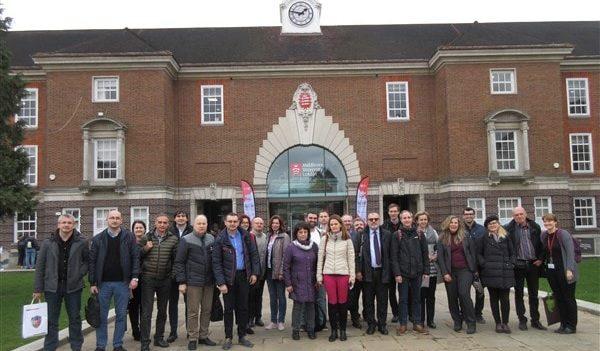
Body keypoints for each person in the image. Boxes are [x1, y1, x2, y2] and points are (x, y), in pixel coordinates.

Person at [33, 214, 88, 351]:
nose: (66, 225)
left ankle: (76, 346)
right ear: (58, 224)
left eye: (69, 222)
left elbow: (88, 261)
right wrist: (37, 289)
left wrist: (79, 273)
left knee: (75, 319)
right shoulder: (48, 242)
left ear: (73, 225)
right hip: (52, 287)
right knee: (51, 320)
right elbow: (40, 266)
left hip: (73, 287)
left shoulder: (81, 241)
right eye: (63, 222)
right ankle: (50, 347)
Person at [89, 209, 140, 351]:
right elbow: (92, 262)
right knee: (101, 316)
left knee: (121, 315)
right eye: (112, 218)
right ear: (107, 220)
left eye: (117, 218)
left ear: (121, 220)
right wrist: (92, 282)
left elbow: (135, 258)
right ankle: (101, 345)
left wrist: (134, 277)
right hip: (103, 284)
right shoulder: (98, 239)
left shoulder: (129, 237)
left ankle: (118, 344)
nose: (114, 220)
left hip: (123, 283)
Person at [212, 213, 260, 350]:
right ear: (225, 223)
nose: (233, 224)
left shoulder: (245, 236)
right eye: (230, 221)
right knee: (228, 309)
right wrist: (221, 282)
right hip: (228, 279)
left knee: (243, 307)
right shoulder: (220, 238)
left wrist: (254, 273)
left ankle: (242, 335)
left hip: (244, 276)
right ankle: (228, 337)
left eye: (235, 221)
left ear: (238, 223)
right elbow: (216, 262)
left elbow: (253, 255)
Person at [174, 215, 217, 350]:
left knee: (206, 310)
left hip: (209, 282)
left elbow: (215, 260)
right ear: (194, 224)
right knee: (193, 311)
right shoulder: (186, 240)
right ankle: (193, 337)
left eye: (204, 223)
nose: (202, 226)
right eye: (199, 223)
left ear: (207, 224)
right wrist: (181, 281)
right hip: (193, 282)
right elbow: (179, 262)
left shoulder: (211, 238)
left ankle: (203, 336)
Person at [139, 213, 180, 350]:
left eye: (165, 223)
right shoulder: (146, 238)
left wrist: (172, 275)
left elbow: (176, 260)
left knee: (162, 311)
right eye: (160, 222)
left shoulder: (173, 239)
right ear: (155, 223)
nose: (162, 225)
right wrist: (146, 248)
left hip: (165, 280)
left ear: (168, 225)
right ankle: (145, 342)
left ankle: (159, 338)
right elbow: (136, 256)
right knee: (146, 312)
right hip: (148, 279)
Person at [505, 206, 547, 331]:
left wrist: (540, 259)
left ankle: (535, 320)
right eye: (516, 215)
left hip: (533, 264)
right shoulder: (509, 228)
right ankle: (522, 319)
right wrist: (512, 262)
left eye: (521, 214)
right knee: (519, 294)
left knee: (534, 294)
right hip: (518, 265)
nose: (519, 216)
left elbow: (541, 245)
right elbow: (507, 247)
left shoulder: (535, 226)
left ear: (525, 214)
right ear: (513, 217)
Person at [316, 214, 355, 342]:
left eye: (335, 224)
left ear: (340, 225)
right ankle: (334, 331)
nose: (333, 226)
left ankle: (343, 330)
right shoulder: (325, 239)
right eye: (331, 224)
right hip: (329, 275)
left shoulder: (347, 239)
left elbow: (351, 259)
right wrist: (319, 275)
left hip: (343, 274)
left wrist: (352, 276)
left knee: (342, 303)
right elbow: (320, 258)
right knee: (332, 303)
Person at [437, 215, 477, 334]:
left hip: (465, 270)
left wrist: (474, 269)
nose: (454, 224)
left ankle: (471, 322)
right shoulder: (442, 238)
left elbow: (472, 253)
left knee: (464, 294)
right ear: (447, 224)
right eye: (451, 222)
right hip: (450, 272)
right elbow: (440, 258)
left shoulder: (465, 236)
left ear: (459, 225)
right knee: (452, 297)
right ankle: (457, 321)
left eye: (456, 223)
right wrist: (445, 273)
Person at [391, 210, 429, 335]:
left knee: (417, 299)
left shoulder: (419, 234)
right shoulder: (397, 235)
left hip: (417, 273)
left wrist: (426, 271)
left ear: (412, 219)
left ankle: (417, 323)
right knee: (403, 299)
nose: (406, 220)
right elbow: (394, 257)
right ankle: (403, 324)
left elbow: (425, 254)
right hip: (403, 274)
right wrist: (397, 274)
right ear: (401, 220)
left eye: (408, 217)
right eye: (404, 218)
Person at [477, 214, 515, 334]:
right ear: (487, 227)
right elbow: (478, 254)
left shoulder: (506, 236)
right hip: (491, 272)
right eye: (490, 224)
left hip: (505, 272)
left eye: (495, 223)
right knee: (494, 299)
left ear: (498, 224)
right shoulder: (484, 238)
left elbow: (512, 252)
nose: (493, 225)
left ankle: (505, 322)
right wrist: (485, 264)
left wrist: (511, 263)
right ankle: (498, 323)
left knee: (505, 299)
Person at [540, 213, 578, 334]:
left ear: (555, 222)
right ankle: (563, 323)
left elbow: (570, 253)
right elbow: (545, 252)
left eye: (550, 221)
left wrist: (569, 270)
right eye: (545, 221)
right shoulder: (544, 235)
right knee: (559, 297)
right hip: (552, 271)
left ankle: (571, 325)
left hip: (565, 270)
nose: (547, 223)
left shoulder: (563, 234)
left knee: (568, 298)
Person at [283, 221, 319, 340]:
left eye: (305, 232)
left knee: (311, 306)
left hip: (311, 281)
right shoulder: (291, 247)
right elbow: (286, 267)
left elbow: (318, 264)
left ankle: (311, 329)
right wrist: (288, 283)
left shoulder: (313, 246)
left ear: (308, 233)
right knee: (298, 306)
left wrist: (318, 279)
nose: (303, 234)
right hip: (297, 282)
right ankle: (296, 330)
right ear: (296, 233)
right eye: (300, 232)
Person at [357, 213, 391, 335]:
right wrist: (358, 271)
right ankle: (371, 324)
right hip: (368, 272)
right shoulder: (361, 235)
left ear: (379, 220)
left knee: (382, 301)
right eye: (371, 219)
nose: (373, 221)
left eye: (376, 219)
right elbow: (357, 255)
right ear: (367, 221)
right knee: (368, 301)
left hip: (382, 272)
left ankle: (382, 324)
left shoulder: (387, 234)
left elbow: (391, 255)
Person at [167, 210, 194, 343]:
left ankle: (190, 331)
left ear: (187, 219)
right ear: (175, 218)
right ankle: (173, 331)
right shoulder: (169, 231)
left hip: (187, 272)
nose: (181, 218)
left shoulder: (192, 231)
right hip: (171, 273)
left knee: (190, 304)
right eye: (178, 216)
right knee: (172, 304)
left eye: (183, 216)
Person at [264, 215, 291, 331]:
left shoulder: (284, 236)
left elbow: (286, 256)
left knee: (281, 297)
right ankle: (273, 321)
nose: (275, 225)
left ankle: (281, 321)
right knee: (272, 297)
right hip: (269, 271)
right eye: (273, 223)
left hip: (279, 272)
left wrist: (281, 272)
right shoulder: (269, 236)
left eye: (277, 223)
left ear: (280, 225)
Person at [463, 207, 487, 324]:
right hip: (465, 267)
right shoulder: (459, 229)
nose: (469, 216)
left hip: (479, 267)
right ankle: (465, 313)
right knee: (464, 292)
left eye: (471, 214)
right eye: (466, 214)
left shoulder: (482, 230)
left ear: (474, 215)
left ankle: (478, 313)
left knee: (480, 291)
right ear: (463, 216)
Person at [415, 211, 439, 329]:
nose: (423, 221)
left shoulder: (433, 232)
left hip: (432, 269)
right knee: (421, 296)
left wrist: (435, 256)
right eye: (421, 220)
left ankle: (431, 320)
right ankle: (421, 320)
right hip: (421, 270)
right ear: (417, 221)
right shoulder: (415, 233)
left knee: (431, 296)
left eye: (425, 219)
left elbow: (439, 247)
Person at [305, 211, 327, 331]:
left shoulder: (321, 233)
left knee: (321, 297)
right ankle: (304, 323)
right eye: (310, 218)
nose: (312, 220)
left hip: (320, 269)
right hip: (305, 270)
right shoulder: (301, 232)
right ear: (306, 218)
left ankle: (322, 322)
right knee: (305, 297)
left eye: (314, 218)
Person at [382, 203, 401, 323]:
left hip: (402, 261)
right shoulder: (384, 226)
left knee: (405, 290)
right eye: (391, 211)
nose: (393, 213)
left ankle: (405, 311)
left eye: (395, 211)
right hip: (389, 263)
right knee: (391, 291)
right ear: (388, 213)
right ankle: (395, 313)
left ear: (398, 212)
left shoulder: (404, 223)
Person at [128, 220, 147, 341]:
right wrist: (145, 249)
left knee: (144, 306)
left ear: (144, 229)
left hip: (146, 277)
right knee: (133, 306)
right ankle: (135, 330)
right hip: (133, 278)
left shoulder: (148, 241)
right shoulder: (128, 242)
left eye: (141, 228)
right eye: (136, 228)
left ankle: (143, 329)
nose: (139, 230)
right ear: (133, 229)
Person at [344, 214, 363, 329]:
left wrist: (357, 271)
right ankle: (341, 317)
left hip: (354, 271)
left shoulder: (357, 235)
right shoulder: (337, 234)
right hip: (340, 271)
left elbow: (358, 255)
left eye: (349, 221)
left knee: (354, 297)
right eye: (345, 221)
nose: (347, 223)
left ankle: (355, 318)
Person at [248, 216, 267, 329]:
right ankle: (250, 318)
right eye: (257, 223)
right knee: (251, 297)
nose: (259, 225)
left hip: (263, 272)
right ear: (252, 224)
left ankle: (258, 317)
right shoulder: (249, 236)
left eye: (261, 223)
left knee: (259, 296)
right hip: (252, 273)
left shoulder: (265, 237)